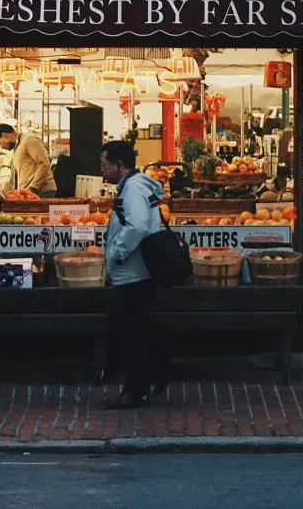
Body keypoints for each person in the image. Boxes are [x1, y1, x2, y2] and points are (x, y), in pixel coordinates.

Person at [99, 140, 170, 410]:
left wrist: (117, 252)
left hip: (133, 273)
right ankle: (154, 373)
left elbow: (137, 224)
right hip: (135, 272)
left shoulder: (133, 190)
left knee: (129, 334)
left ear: (119, 165)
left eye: (104, 165)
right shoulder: (133, 187)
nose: (101, 170)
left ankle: (138, 389)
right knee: (132, 331)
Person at [0, 123, 57, 198]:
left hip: (42, 191)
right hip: (30, 191)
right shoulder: (17, 147)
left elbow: (44, 164)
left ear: (4, 135)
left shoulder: (29, 140)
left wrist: (33, 187)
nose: (2, 147)